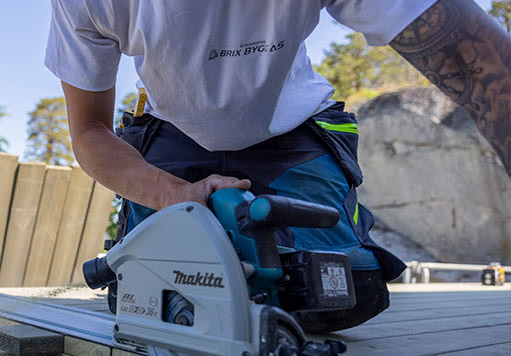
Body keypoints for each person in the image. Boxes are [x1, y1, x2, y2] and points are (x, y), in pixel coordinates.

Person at [45, 0, 511, 332]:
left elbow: (484, 72)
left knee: (343, 292)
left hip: (292, 127)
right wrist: (171, 194)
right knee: (142, 298)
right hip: (173, 135)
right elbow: (90, 131)